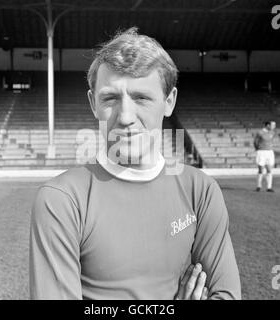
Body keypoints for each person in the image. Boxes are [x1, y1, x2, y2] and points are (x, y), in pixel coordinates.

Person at [29, 27, 241, 300]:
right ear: (93, 104)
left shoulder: (201, 191)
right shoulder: (61, 200)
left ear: (169, 101)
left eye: (141, 98)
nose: (126, 116)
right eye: (110, 98)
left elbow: (227, 295)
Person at [254, 121, 277, 192]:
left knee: (269, 169)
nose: (274, 127)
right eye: (273, 125)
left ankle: (269, 187)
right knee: (261, 169)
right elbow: (255, 142)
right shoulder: (260, 132)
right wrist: (258, 149)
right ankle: (258, 186)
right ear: (267, 125)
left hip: (269, 152)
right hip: (261, 152)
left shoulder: (272, 132)